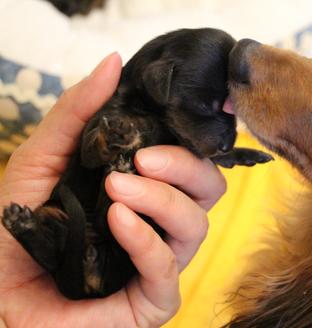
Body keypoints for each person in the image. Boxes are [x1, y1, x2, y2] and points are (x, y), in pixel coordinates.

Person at [0, 53, 226, 327]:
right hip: (75, 244)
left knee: (120, 223)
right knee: (108, 215)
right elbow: (88, 157)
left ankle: (42, 237)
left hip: (99, 256)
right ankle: (40, 236)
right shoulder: (121, 101)